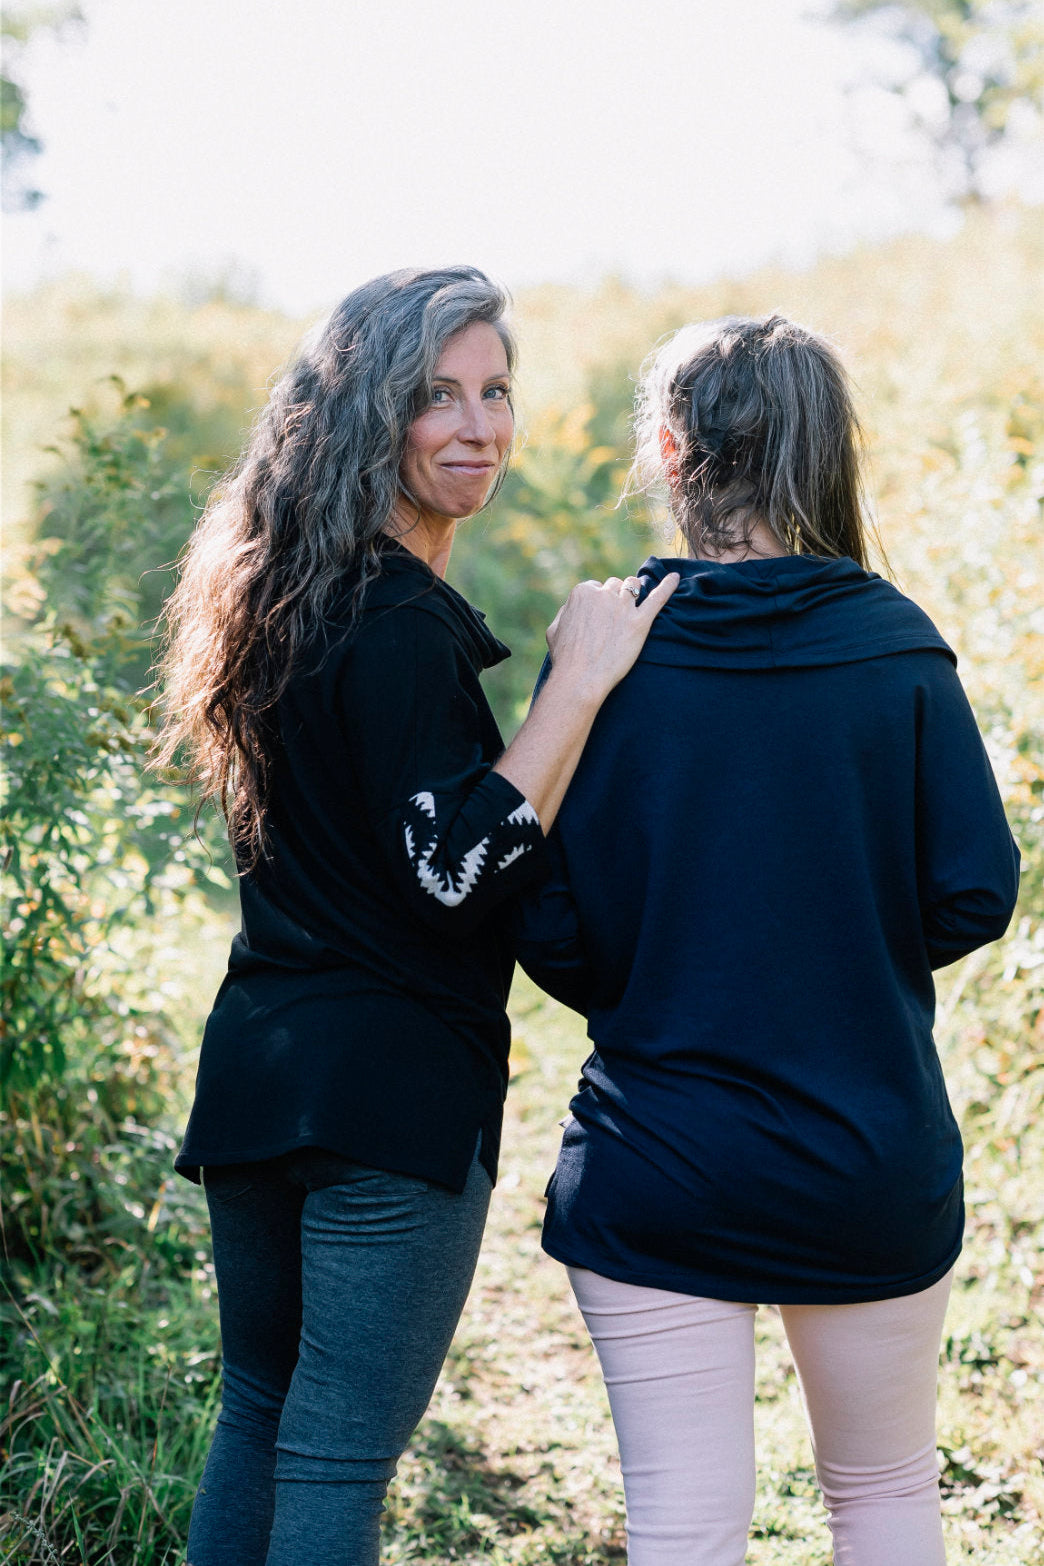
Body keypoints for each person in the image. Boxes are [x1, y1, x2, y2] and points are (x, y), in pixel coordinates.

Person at [155, 264, 678, 1566]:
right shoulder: (397, 622)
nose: (479, 423)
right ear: (367, 415)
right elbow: (453, 871)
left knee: (260, 1419)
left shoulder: (282, 600)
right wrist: (580, 681)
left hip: (263, 1072)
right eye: (436, 395)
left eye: (496, 390)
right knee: (333, 1455)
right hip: (384, 1100)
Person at [516, 314, 1021, 1566]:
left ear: (671, 451)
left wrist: (654, 972)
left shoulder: (605, 649)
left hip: (656, 1158)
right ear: (825, 456)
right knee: (888, 1495)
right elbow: (975, 891)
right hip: (867, 1154)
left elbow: (543, 913)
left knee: (684, 1528)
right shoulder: (896, 646)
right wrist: (833, 944)